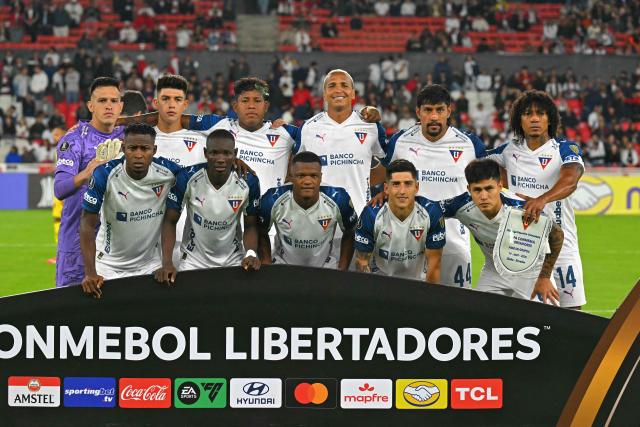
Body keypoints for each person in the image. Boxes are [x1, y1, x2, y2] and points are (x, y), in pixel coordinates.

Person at [381, 84, 486, 288]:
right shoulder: (400, 141)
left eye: (440, 110)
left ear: (449, 111)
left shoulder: (470, 144)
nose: (434, 116)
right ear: (418, 112)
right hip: (408, 243)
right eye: (428, 110)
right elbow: (381, 176)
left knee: (456, 308)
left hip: (454, 243)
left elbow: (489, 182)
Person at [487, 90, 586, 309]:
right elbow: (471, 158)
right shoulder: (507, 151)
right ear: (518, 120)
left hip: (563, 243)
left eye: (540, 114)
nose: (534, 118)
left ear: (549, 118)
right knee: (528, 316)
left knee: (573, 312)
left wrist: (542, 199)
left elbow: (571, 180)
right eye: (527, 114)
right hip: (524, 245)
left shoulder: (565, 149)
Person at [441, 159, 563, 304]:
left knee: (547, 323)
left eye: (489, 188)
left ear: (500, 186)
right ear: (469, 189)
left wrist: (544, 277)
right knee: (476, 319)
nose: (483, 196)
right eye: (477, 190)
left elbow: (557, 234)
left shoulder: (521, 209)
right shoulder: (460, 205)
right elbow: (429, 210)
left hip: (531, 273)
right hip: (494, 271)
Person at [80, 124, 181, 298]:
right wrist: (90, 272)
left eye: (145, 148)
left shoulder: (169, 172)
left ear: (154, 150)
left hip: (150, 265)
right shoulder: (105, 174)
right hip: (109, 266)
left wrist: (234, 163)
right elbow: (87, 225)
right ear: (123, 148)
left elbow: (201, 174)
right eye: (133, 148)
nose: (139, 155)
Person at [155, 129, 261, 285]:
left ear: (235, 153)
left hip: (233, 260)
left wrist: (251, 252)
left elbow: (251, 225)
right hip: (192, 261)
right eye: (214, 153)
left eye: (226, 153)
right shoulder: (187, 178)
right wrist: (167, 263)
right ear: (205, 153)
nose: (220, 159)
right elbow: (170, 221)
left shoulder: (248, 181)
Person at [54, 77, 125, 288]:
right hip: (77, 242)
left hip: (116, 244)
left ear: (121, 105)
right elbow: (60, 189)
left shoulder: (128, 135)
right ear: (90, 106)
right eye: (102, 101)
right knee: (70, 312)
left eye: (114, 100)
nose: (109, 106)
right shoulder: (74, 139)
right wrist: (87, 172)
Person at [257, 151, 358, 270]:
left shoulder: (339, 198)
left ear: (321, 177)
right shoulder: (272, 199)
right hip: (283, 266)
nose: (307, 181)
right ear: (291, 176)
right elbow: (261, 231)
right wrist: (266, 264)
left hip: (325, 267)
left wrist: (342, 269)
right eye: (301, 175)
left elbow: (350, 231)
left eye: (313, 176)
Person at [355, 159, 445, 283]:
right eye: (396, 184)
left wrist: (427, 297)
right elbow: (362, 262)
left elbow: (434, 265)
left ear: (416, 187)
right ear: (386, 188)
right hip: (381, 283)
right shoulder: (371, 214)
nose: (402, 191)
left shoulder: (431, 212)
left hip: (418, 284)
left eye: (408, 184)